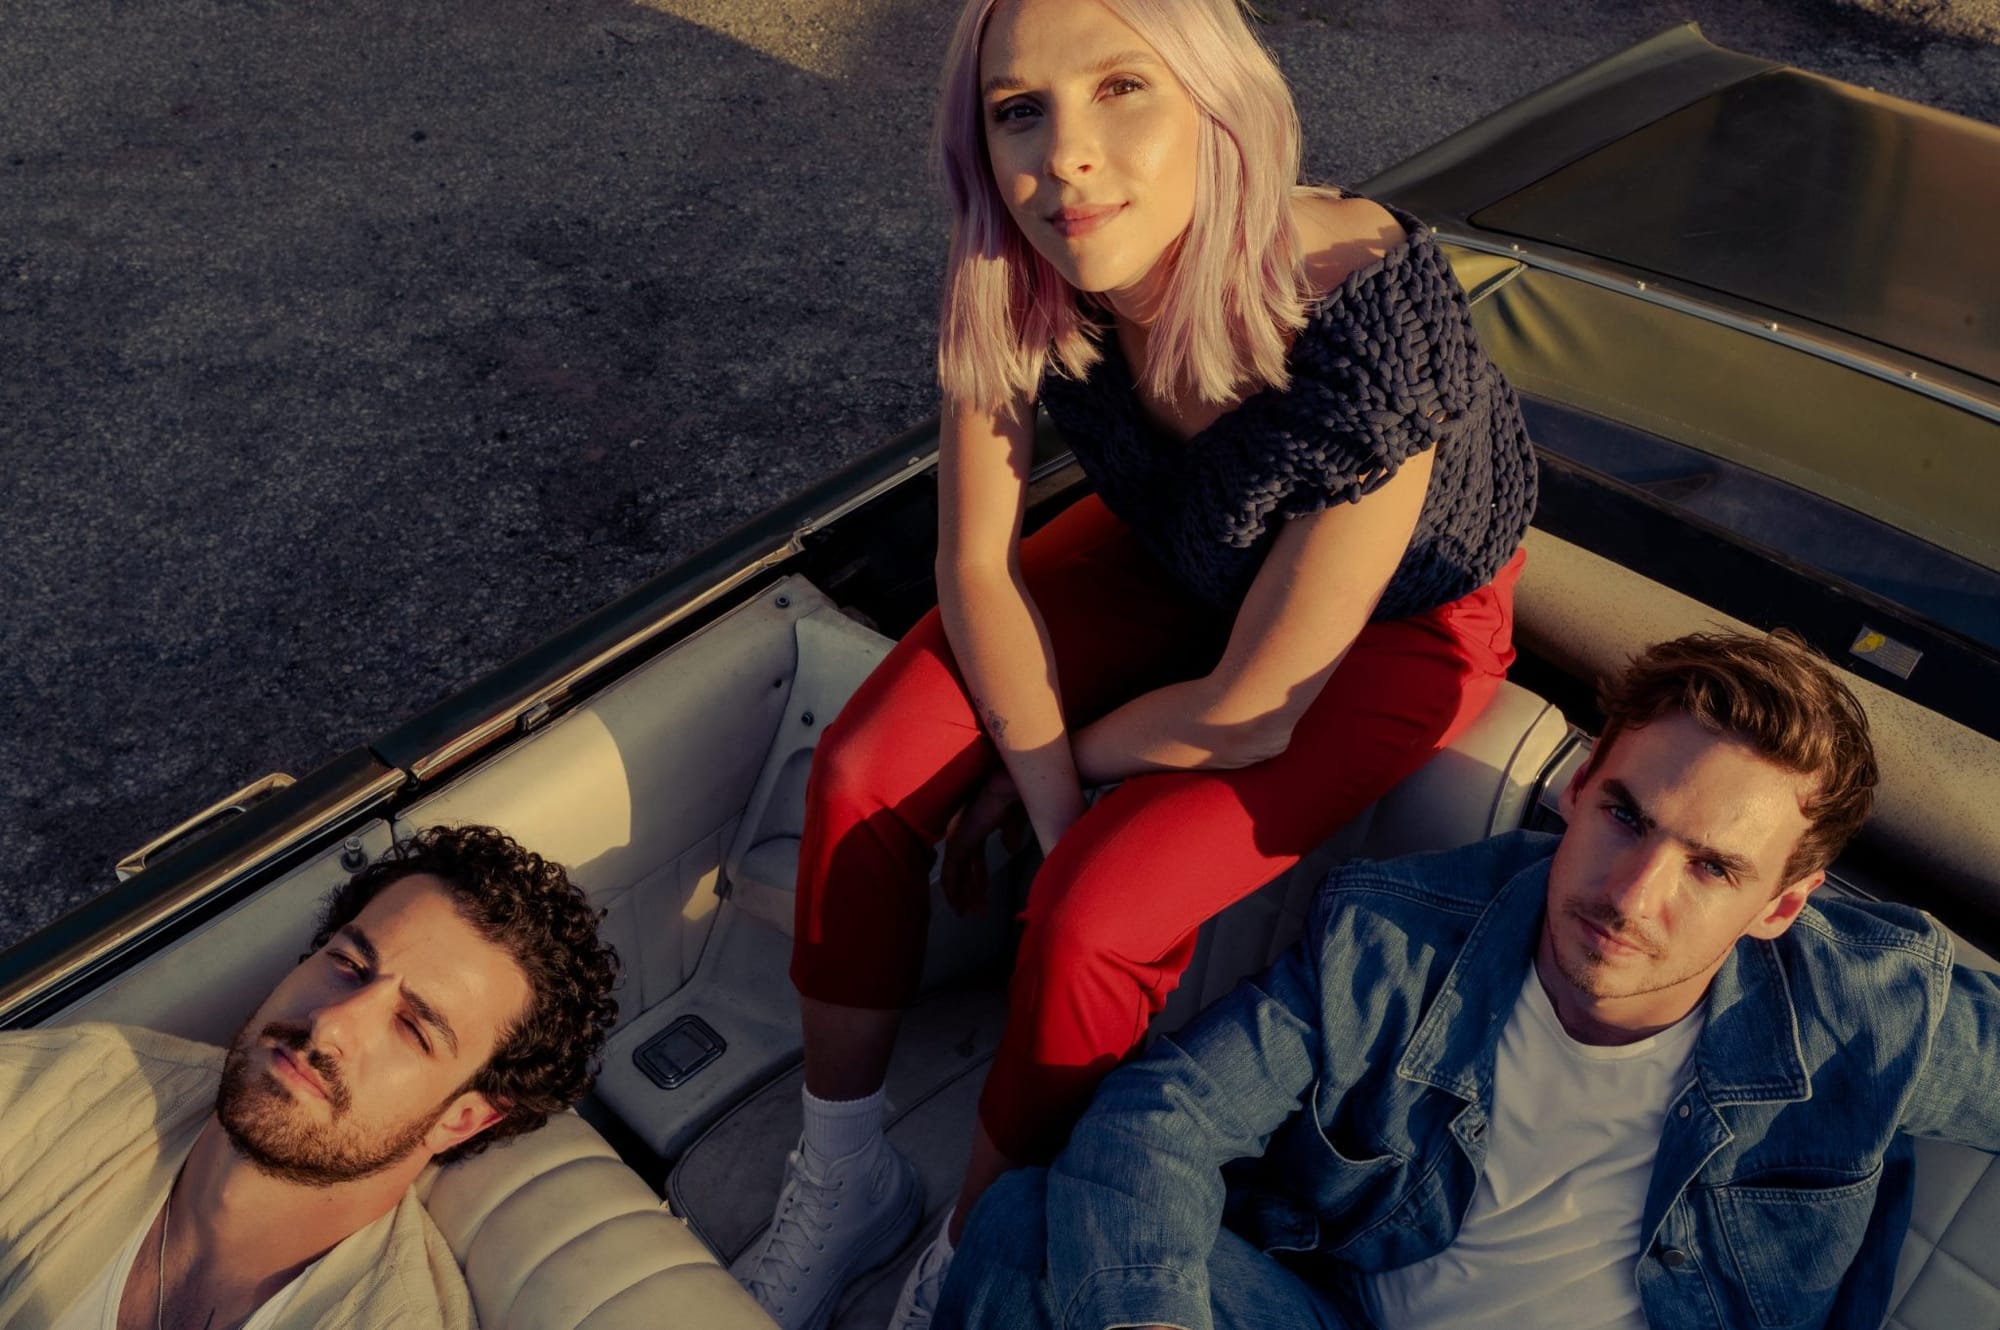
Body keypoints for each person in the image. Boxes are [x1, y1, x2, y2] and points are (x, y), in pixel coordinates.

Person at [729, 0, 1537, 1326]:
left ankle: (976, 1228)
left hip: (1392, 622)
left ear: (1220, 103)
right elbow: (973, 565)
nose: (1066, 158)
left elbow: (1244, 710)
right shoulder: (1012, 258)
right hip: (1177, 531)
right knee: (872, 767)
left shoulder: (1375, 330)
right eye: (1018, 111)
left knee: (1100, 910)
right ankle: (845, 1167)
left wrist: (1056, 771)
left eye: (1121, 89)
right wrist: (1044, 788)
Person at [938, 629, 2000, 1330]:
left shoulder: (1874, 1010)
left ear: (1779, 902)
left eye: (1710, 866)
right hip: (1344, 1315)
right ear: (1577, 790)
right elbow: (1160, 1114)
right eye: (1624, 816)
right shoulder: (1392, 935)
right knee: (1024, 1218)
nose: (1630, 894)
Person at [0, 824, 620, 1330]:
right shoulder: (65, 1086)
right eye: (348, 964)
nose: (329, 1027)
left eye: (411, 1027)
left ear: (463, 1117)